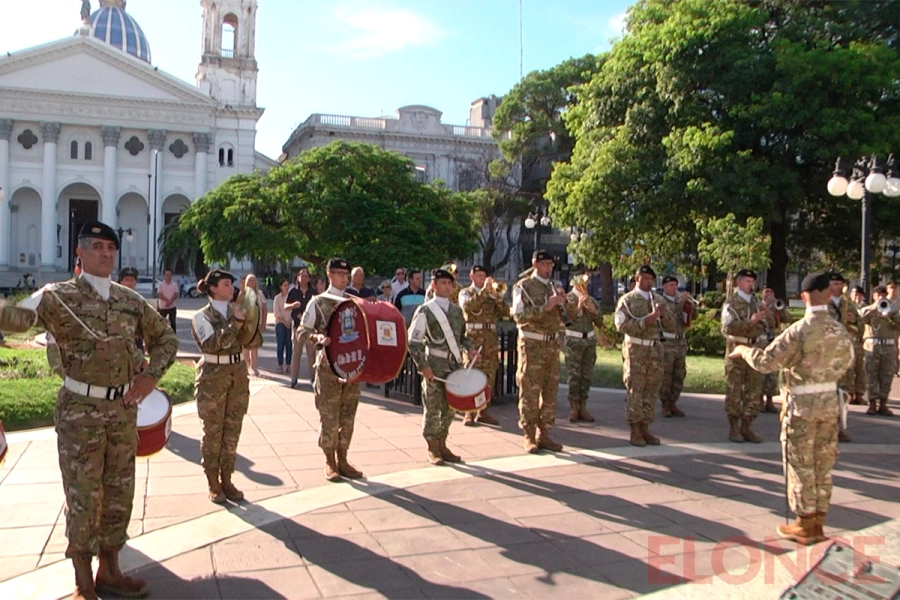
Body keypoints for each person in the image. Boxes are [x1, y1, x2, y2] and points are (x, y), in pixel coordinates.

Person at [0, 221, 177, 600]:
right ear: (79, 252)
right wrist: (9, 309)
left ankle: (110, 569)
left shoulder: (129, 300)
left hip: (121, 411)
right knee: (83, 495)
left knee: (118, 494)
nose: (106, 253)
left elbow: (165, 339)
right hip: (80, 411)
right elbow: (15, 323)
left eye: (110, 248)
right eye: (96, 246)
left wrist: (148, 380)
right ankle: (82, 577)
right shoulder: (57, 297)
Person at [729, 271, 853, 545]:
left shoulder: (800, 330)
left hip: (802, 407)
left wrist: (744, 350)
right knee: (823, 463)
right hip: (830, 404)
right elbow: (847, 362)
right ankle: (819, 520)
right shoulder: (839, 330)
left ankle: (804, 523)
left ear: (804, 296)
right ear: (828, 294)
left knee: (800, 463)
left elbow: (767, 362)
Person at [299, 258, 365, 481]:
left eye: (346, 275)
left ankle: (343, 458)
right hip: (328, 368)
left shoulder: (355, 302)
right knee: (329, 416)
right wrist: (316, 337)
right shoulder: (318, 303)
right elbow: (301, 332)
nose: (344, 278)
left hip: (352, 367)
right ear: (329, 275)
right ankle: (330, 460)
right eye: (339, 274)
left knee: (348, 416)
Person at [191, 269, 251, 505]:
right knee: (213, 431)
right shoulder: (201, 317)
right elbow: (213, 344)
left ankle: (227, 477)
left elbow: (250, 339)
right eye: (226, 284)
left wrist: (249, 321)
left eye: (231, 284)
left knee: (232, 430)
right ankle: (212, 480)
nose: (231, 288)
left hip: (237, 375)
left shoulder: (237, 312)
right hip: (213, 378)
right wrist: (235, 324)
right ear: (213, 288)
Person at [408, 268, 471, 464]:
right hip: (434, 367)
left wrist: (471, 349)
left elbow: (463, 337)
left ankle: (443, 443)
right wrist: (423, 366)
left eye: (449, 284)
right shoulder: (425, 310)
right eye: (442, 283)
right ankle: (432, 447)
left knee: (450, 408)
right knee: (433, 407)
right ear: (434, 285)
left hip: (453, 366)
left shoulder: (457, 311)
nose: (447, 287)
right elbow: (414, 342)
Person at [512, 250, 566, 453]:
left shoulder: (553, 286)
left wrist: (563, 303)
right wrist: (546, 306)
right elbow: (518, 316)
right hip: (532, 345)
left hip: (551, 346)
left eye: (551, 264)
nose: (548, 268)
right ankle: (529, 434)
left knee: (550, 391)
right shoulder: (523, 286)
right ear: (535, 264)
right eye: (544, 264)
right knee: (530, 390)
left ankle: (545, 433)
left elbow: (563, 318)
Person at [615, 265, 675, 446]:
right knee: (636, 390)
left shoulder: (658, 299)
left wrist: (663, 316)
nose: (648, 282)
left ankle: (646, 427)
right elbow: (621, 325)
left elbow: (672, 326)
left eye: (651, 279)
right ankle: (635, 429)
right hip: (636, 350)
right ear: (637, 278)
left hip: (655, 350)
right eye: (645, 278)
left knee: (651, 390)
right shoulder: (627, 300)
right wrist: (644, 321)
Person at [721, 269, 776, 443]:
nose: (750, 285)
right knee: (735, 389)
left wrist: (767, 313)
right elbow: (727, 328)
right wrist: (750, 321)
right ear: (739, 282)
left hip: (755, 349)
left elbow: (772, 325)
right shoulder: (731, 303)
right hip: (737, 350)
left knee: (754, 389)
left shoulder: (756, 302)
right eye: (747, 281)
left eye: (752, 281)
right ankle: (734, 427)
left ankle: (747, 426)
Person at [458, 265, 510, 426]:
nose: (482, 278)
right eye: (479, 275)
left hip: (490, 339)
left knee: (489, 376)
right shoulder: (466, 293)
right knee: (472, 374)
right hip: (474, 338)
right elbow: (468, 307)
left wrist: (497, 297)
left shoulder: (491, 294)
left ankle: (483, 411)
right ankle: (468, 412)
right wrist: (483, 292)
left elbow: (506, 313)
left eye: (484, 275)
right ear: (471, 276)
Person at [563, 273, 603, 422]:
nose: (584, 285)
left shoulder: (591, 299)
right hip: (574, 341)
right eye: (581, 281)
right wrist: (579, 307)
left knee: (586, 376)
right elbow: (566, 319)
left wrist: (594, 311)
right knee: (574, 376)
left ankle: (583, 406)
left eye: (586, 282)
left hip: (589, 342)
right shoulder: (568, 299)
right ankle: (573, 407)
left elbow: (600, 323)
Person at [826, 273, 861, 443]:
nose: (839, 286)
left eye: (841, 283)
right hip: (828, 354)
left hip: (843, 353)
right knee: (827, 392)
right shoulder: (823, 303)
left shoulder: (849, 304)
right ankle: (826, 429)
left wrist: (854, 320)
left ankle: (839, 427)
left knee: (843, 392)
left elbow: (861, 325)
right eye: (835, 283)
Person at [858, 285, 900, 417]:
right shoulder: (869, 310)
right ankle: (871, 403)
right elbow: (861, 317)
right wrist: (875, 306)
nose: (882, 298)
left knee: (887, 375)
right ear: (874, 296)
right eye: (879, 295)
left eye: (884, 295)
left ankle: (883, 403)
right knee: (871, 375)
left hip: (888, 347)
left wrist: (892, 315)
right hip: (873, 347)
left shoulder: (893, 311)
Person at [658, 276, 694, 418]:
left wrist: (690, 305)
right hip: (668, 342)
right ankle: (665, 404)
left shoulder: (680, 300)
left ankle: (673, 402)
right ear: (665, 287)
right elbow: (670, 317)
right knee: (666, 375)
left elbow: (691, 317)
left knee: (679, 374)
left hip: (681, 342)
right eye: (671, 285)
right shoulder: (662, 302)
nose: (674, 288)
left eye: (676, 285)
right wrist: (681, 303)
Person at [760, 285, 793, 414]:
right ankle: (760, 400)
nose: (769, 294)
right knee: (761, 371)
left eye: (771, 291)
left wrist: (780, 309)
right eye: (766, 291)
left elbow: (788, 319)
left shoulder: (776, 308)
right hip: (761, 342)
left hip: (774, 342)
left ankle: (770, 400)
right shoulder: (758, 306)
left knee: (773, 372)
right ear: (761, 294)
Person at [288, 268, 316, 387]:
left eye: (306, 276)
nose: (304, 278)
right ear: (298, 278)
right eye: (302, 276)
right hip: (297, 327)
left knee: (311, 354)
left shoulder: (313, 292)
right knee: (296, 353)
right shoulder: (293, 292)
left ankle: (313, 377)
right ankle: (294, 378)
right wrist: (293, 306)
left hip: (310, 328)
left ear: (309, 278)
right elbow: (286, 305)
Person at [238, 273, 267, 377]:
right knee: (245, 347)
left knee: (254, 347)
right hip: (246, 325)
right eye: (249, 280)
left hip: (256, 324)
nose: (252, 283)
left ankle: (254, 367)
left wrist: (263, 322)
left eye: (253, 281)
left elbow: (264, 309)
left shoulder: (259, 294)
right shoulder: (243, 294)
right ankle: (245, 367)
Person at [273, 279, 298, 374]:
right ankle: (280, 365)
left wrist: (289, 322)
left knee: (289, 345)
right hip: (280, 323)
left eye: (287, 285)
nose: (286, 287)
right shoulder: (277, 298)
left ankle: (288, 365)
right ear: (281, 287)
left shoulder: (292, 297)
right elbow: (277, 313)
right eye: (284, 285)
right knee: (280, 345)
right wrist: (284, 322)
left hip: (290, 323)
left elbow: (294, 311)